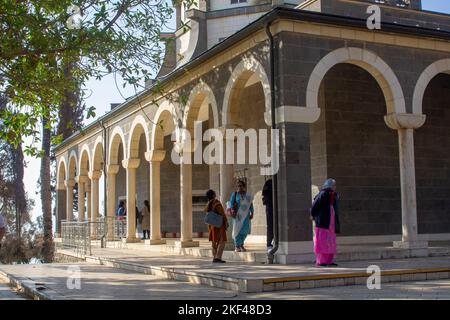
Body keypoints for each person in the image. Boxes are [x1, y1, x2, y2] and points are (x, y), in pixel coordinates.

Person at [310, 178, 340, 267]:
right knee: (323, 240)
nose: (335, 187)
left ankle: (329, 260)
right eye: (333, 185)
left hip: (330, 221)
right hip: (323, 221)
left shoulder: (333, 194)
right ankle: (321, 261)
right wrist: (313, 215)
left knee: (330, 240)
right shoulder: (323, 193)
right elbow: (315, 205)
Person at [229, 179, 254, 252]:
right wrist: (232, 210)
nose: (239, 187)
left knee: (245, 231)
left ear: (244, 186)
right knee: (237, 230)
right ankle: (237, 246)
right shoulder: (235, 194)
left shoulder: (248, 196)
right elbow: (231, 203)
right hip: (237, 215)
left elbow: (251, 205)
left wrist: (252, 212)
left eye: (240, 186)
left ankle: (242, 244)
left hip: (246, 216)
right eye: (238, 186)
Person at [205, 189, 228, 263]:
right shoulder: (216, 203)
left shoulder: (208, 204)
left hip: (211, 226)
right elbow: (222, 213)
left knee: (214, 242)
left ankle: (214, 257)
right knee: (222, 241)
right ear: (213, 195)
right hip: (219, 225)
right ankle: (218, 257)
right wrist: (226, 221)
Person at [262, 178, 273, 251]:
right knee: (270, 226)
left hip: (280, 208)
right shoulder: (269, 182)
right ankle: (269, 243)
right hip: (270, 207)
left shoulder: (281, 181)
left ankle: (275, 241)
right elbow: (264, 195)